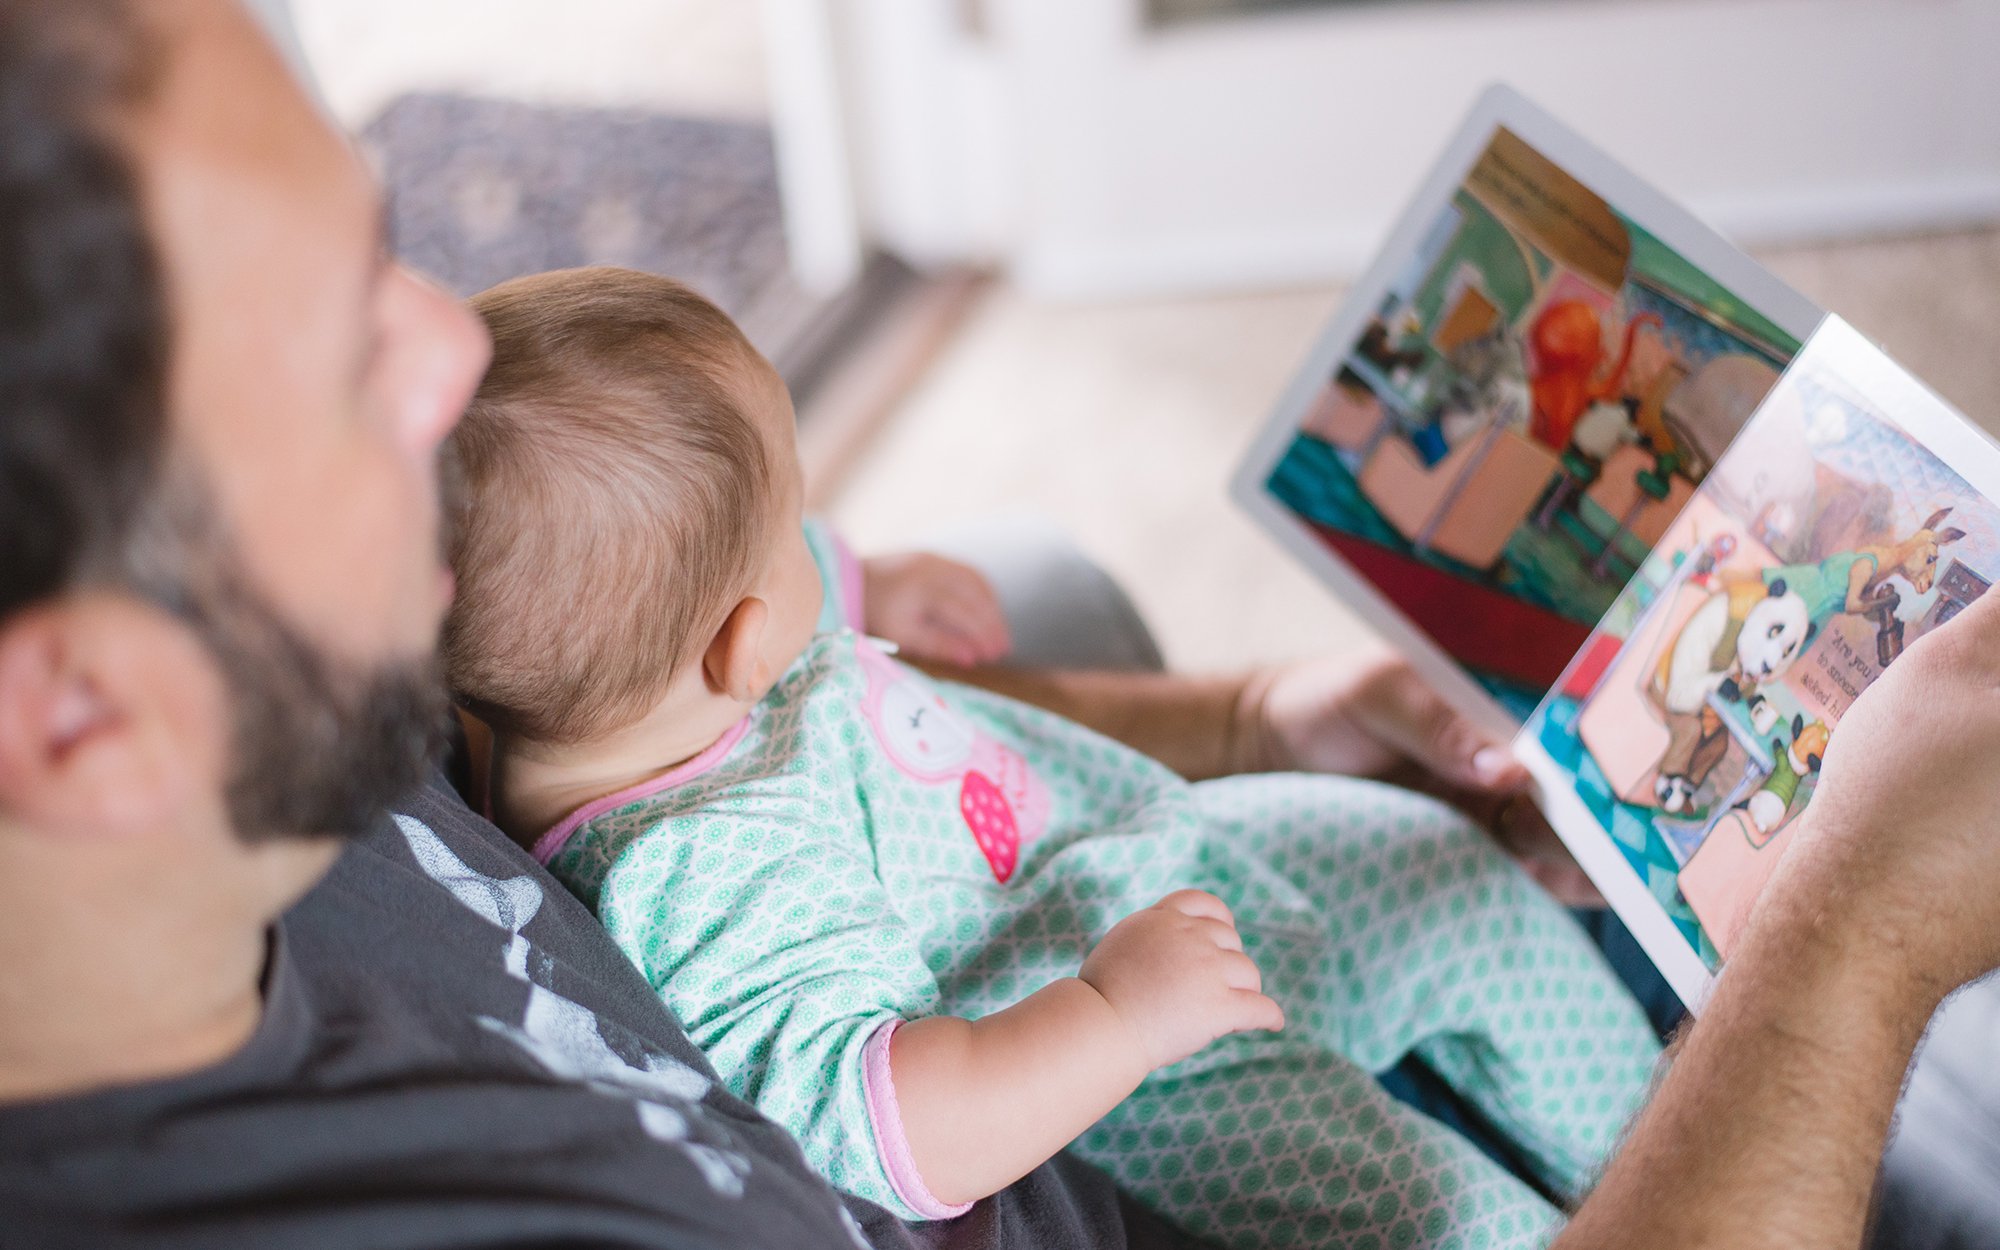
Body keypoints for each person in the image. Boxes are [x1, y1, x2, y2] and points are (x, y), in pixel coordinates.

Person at [0, 2, 1994, 1247]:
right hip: (1201, 1102)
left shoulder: (335, 685)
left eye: (395, 251)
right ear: (81, 715)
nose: (452, 340)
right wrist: (1857, 927)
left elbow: (779, 697)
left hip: (1134, 891)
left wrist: (1232, 712)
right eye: (347, 359)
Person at [442, 265, 1660, 1247]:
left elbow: (711, 570)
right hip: (1152, 1073)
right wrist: (1115, 1016)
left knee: (1442, 865)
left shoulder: (604, 686)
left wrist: (862, 577)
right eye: (795, 528)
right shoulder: (706, 872)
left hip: (1138, 856)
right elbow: (888, 1125)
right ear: (745, 644)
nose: (817, 539)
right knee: (1452, 1221)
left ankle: (1666, 1153)